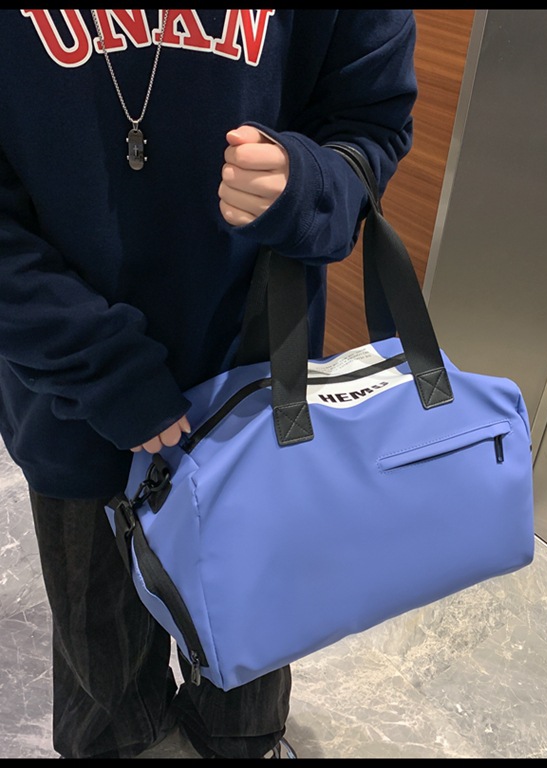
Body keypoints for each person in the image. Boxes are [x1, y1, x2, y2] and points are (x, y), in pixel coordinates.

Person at [0, 8, 417, 759]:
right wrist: (98, 366)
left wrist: (310, 182)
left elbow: (369, 118)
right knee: (107, 696)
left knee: (245, 689)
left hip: (254, 388)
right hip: (67, 401)